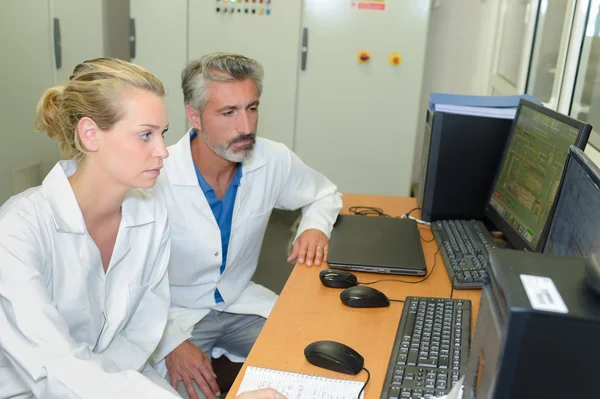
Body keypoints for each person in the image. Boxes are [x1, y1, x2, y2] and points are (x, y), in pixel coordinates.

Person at [0, 56, 286, 399]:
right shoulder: (19, 230)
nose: (163, 151)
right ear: (91, 134)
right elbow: (53, 368)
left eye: (162, 134)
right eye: (145, 135)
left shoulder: (149, 217)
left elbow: (138, 339)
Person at [149, 52, 342, 399]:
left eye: (251, 108)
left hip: (241, 301)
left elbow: (324, 194)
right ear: (194, 116)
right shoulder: (155, 177)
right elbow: (128, 284)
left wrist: (314, 227)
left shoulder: (272, 159)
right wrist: (170, 343)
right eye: (228, 113)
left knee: (313, 364)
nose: (246, 127)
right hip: (172, 315)